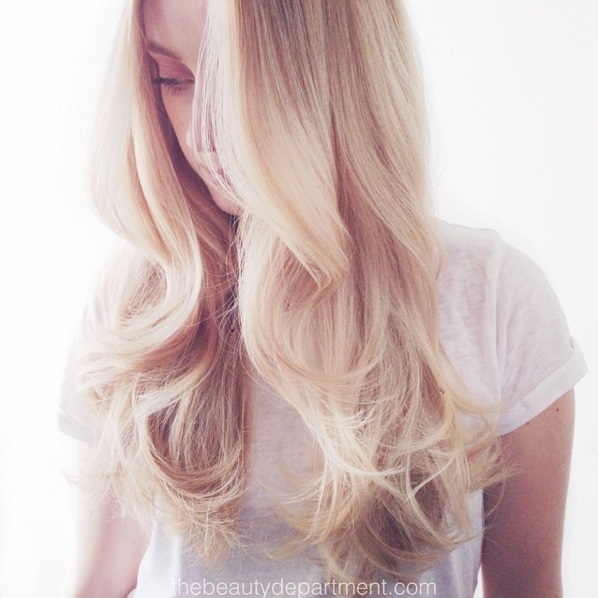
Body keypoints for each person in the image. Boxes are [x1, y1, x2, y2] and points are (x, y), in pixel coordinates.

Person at [58, 0, 586, 596]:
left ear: (333, 74)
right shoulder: (133, 311)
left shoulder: (493, 302)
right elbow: (100, 583)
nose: (201, 136)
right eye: (172, 80)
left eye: (235, 83)